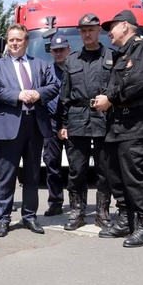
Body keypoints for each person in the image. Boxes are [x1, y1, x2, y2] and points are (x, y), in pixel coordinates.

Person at [0, 23, 59, 237]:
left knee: (32, 174)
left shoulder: (41, 64)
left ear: (27, 42)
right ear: (7, 42)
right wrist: (16, 95)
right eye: (11, 40)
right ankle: (4, 218)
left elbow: (54, 86)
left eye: (18, 39)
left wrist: (38, 93)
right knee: (6, 175)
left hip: (35, 124)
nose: (14, 43)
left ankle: (29, 216)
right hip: (9, 125)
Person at [94, 10, 143, 247]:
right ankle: (125, 219)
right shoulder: (123, 54)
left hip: (136, 126)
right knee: (116, 176)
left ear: (126, 26)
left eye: (112, 27)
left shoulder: (140, 49)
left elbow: (139, 82)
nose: (109, 32)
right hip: (118, 126)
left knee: (134, 177)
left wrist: (110, 98)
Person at [59, 14, 114, 230]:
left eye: (91, 29)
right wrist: (63, 125)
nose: (87, 33)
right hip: (77, 119)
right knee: (76, 170)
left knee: (104, 169)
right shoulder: (72, 60)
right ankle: (76, 211)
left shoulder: (111, 57)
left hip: (104, 120)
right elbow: (64, 96)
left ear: (99, 30)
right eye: (83, 30)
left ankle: (102, 212)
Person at [42, 35, 70, 217]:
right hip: (51, 122)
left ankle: (78, 204)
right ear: (51, 52)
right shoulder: (46, 71)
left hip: (73, 122)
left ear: (69, 50)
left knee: (77, 167)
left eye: (62, 49)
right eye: (55, 50)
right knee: (52, 164)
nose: (59, 53)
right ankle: (55, 202)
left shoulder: (76, 68)